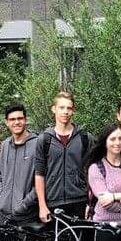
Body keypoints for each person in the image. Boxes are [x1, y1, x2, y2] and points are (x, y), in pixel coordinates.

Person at [34, 91, 91, 224]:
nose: (65, 112)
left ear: (73, 111)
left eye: (69, 108)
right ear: (53, 109)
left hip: (79, 201)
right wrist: (42, 206)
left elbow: (92, 171)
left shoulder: (84, 138)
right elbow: (39, 174)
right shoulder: (44, 139)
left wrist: (91, 203)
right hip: (53, 201)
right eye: (61, 107)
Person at [0, 104, 40, 224]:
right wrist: (1, 199)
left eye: (20, 118)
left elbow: (42, 178)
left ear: (25, 120)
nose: (16, 122)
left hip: (27, 215)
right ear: (7, 122)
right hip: (3, 214)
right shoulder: (5, 145)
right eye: (12, 119)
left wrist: (25, 204)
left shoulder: (37, 144)